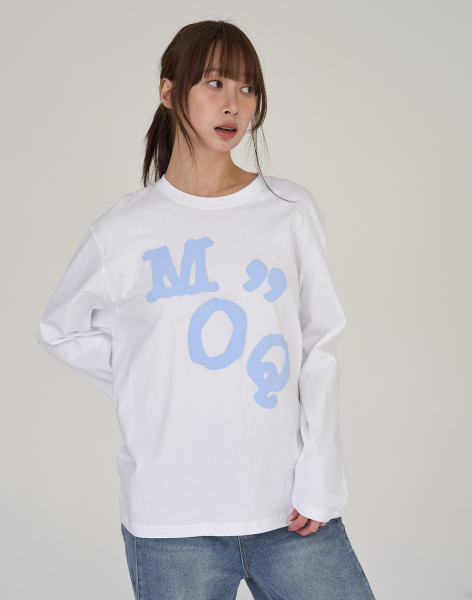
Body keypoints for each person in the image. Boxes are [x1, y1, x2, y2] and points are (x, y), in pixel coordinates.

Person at [36, 18, 377, 600]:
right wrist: (148, 378)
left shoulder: (287, 210)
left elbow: (320, 342)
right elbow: (59, 329)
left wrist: (321, 471)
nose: (233, 104)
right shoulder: (124, 229)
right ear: (169, 93)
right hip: (172, 519)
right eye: (215, 83)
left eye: (247, 88)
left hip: (290, 508)